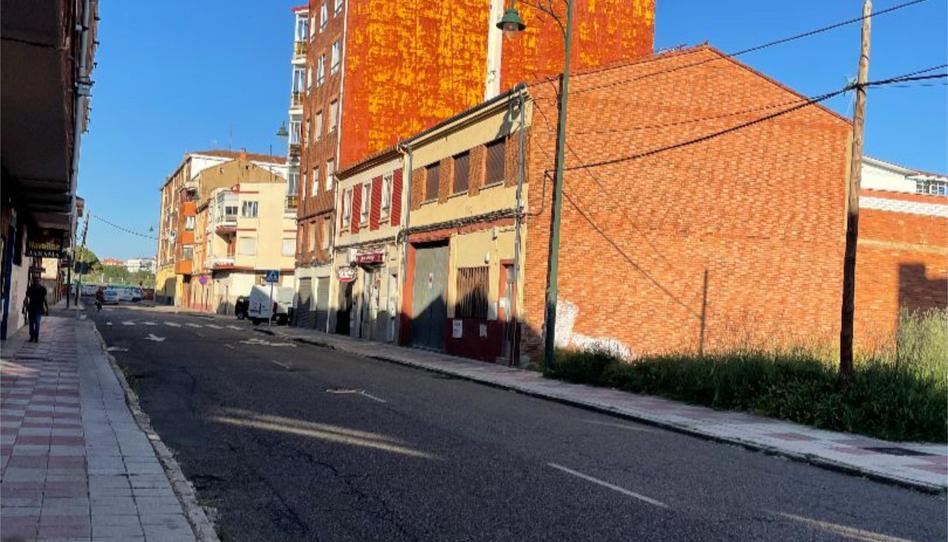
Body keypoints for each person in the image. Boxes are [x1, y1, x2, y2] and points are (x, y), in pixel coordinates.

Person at [23, 274, 49, 343]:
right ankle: (32, 336)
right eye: (34, 280)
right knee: (31, 323)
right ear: (33, 281)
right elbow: (26, 298)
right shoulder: (30, 288)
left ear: (39, 281)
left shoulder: (42, 289)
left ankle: (36, 337)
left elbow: (45, 299)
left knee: (37, 322)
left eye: (37, 280)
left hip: (39, 309)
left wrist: (47, 308)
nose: (36, 281)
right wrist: (24, 306)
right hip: (31, 308)